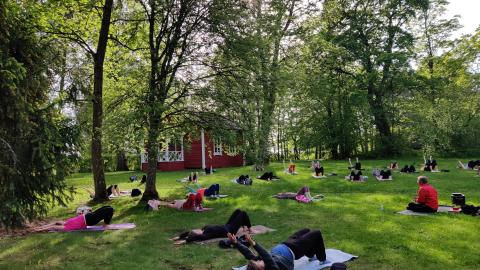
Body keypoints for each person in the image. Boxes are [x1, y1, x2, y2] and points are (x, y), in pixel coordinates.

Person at [229, 228, 327, 270]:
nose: (260, 261)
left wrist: (236, 243)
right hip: (294, 250)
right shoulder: (272, 268)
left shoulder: (258, 263)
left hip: (286, 244)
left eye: (258, 262)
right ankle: (322, 259)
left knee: (306, 231)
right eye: (260, 264)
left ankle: (311, 255)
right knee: (316, 233)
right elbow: (267, 257)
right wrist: (254, 244)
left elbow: (248, 254)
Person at [174, 209, 252, 243]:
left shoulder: (204, 229)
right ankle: (249, 228)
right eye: (196, 231)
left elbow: (189, 233)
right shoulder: (206, 235)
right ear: (198, 234)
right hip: (231, 230)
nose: (197, 229)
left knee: (238, 211)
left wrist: (179, 236)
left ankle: (243, 225)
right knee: (243, 213)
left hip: (227, 225)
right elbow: (194, 237)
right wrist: (185, 241)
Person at [34, 206, 115, 231]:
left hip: (85, 217)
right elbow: (54, 226)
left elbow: (55, 224)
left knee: (109, 208)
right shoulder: (67, 226)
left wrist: (42, 227)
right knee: (110, 209)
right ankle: (39, 229)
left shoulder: (67, 223)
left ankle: (41, 227)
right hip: (85, 221)